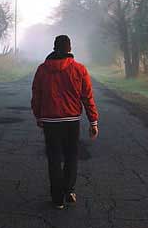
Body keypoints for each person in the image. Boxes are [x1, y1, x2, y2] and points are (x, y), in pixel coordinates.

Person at [31, 35, 99, 209]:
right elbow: (87, 96)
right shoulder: (79, 69)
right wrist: (93, 122)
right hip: (71, 120)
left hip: (50, 120)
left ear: (54, 48)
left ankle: (57, 199)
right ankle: (69, 189)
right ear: (69, 48)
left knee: (54, 158)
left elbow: (36, 95)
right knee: (71, 155)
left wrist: (38, 116)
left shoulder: (42, 70)